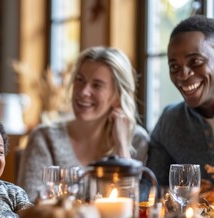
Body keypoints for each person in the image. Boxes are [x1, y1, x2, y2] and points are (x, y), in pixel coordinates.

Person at [18, 46, 150, 201]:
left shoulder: (137, 140)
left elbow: (133, 205)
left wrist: (122, 147)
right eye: (80, 80)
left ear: (117, 96)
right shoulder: (44, 138)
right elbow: (28, 206)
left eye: (97, 85)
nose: (83, 92)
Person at [147, 15, 214, 188]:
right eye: (174, 67)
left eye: (196, 61)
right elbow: (151, 191)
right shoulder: (170, 121)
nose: (183, 75)